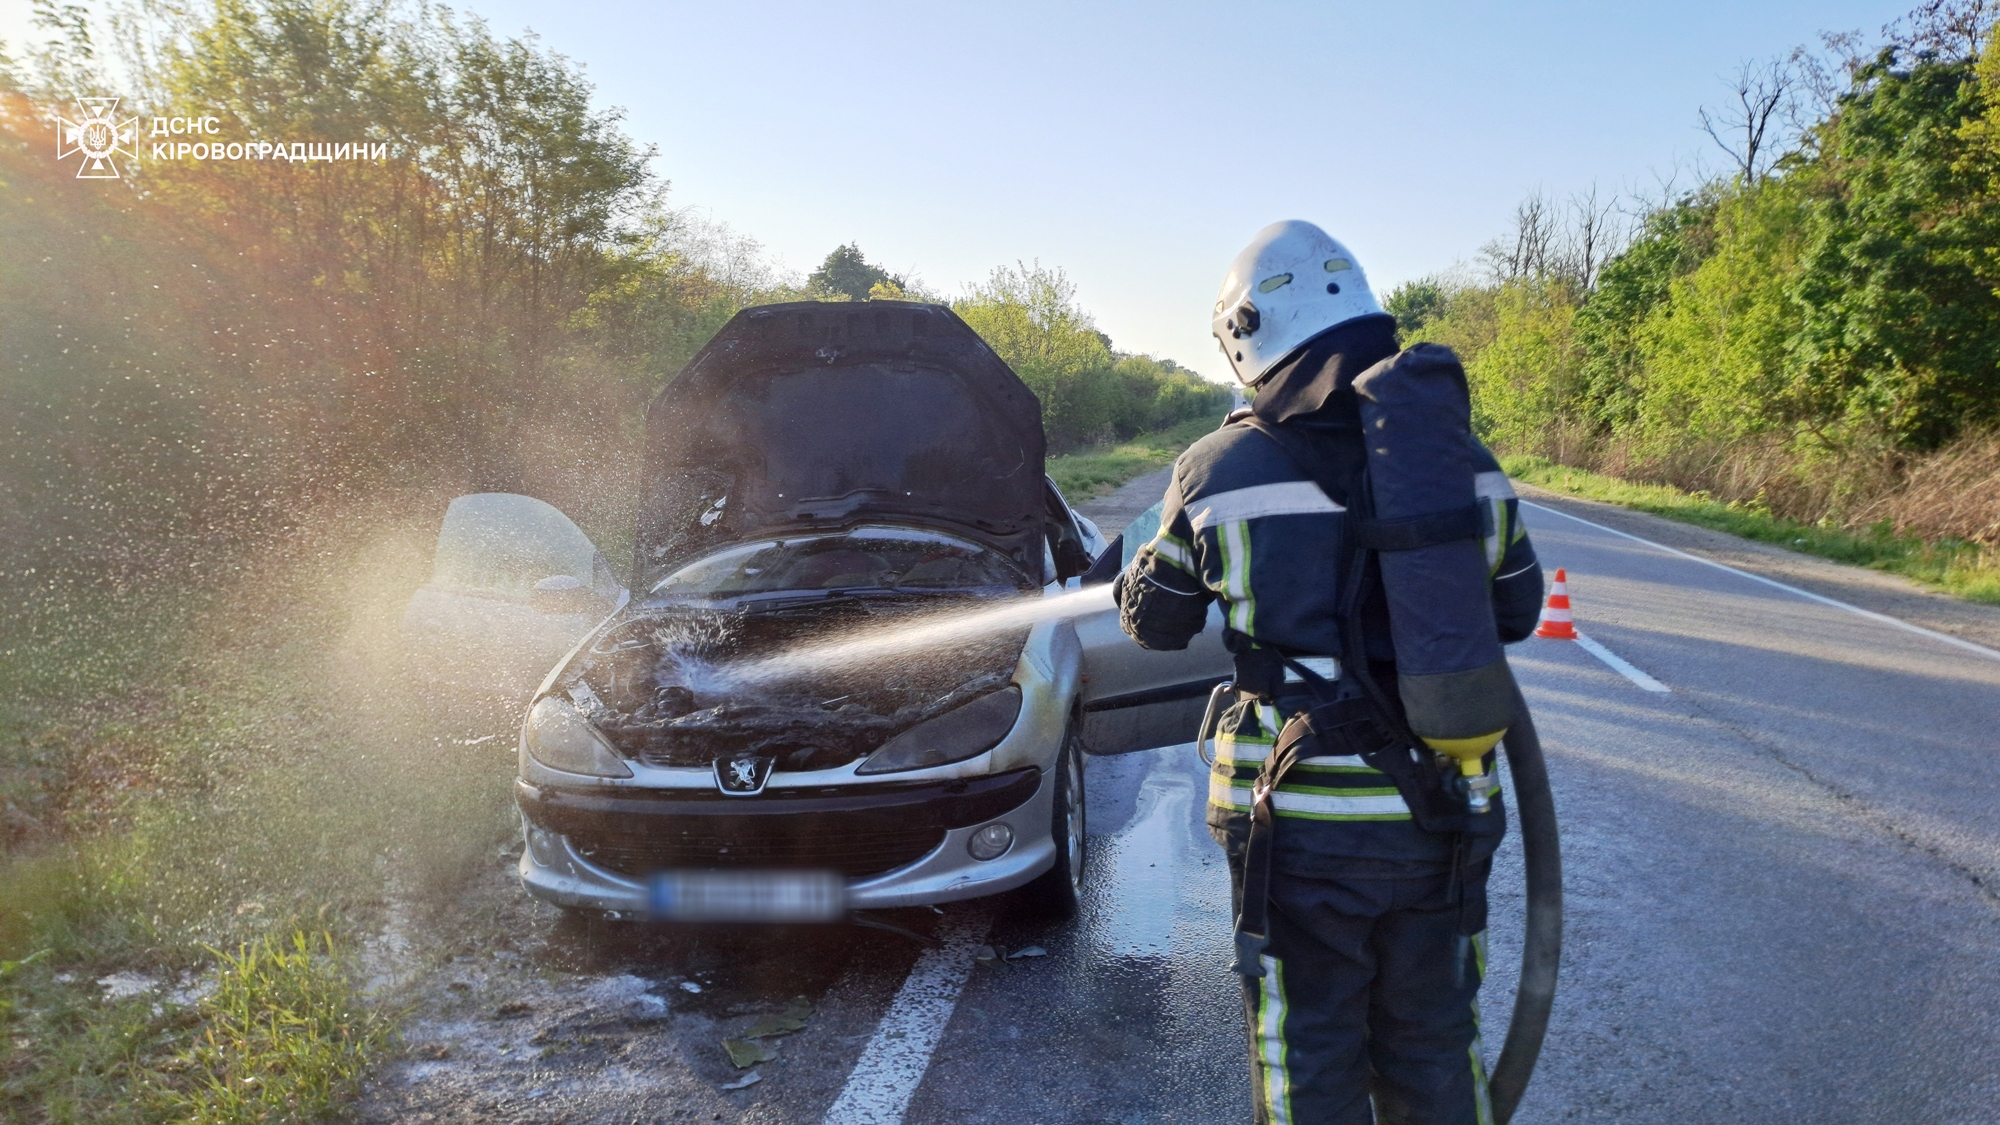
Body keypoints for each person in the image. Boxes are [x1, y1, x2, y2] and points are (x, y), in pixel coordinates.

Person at [1113, 221, 1543, 1124]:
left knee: (1304, 1046)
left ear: (1249, 334)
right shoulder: (1462, 462)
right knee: (1434, 1040)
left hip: (1295, 822)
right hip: (1445, 810)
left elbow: (1156, 623)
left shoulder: (1216, 470)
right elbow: (1516, 608)